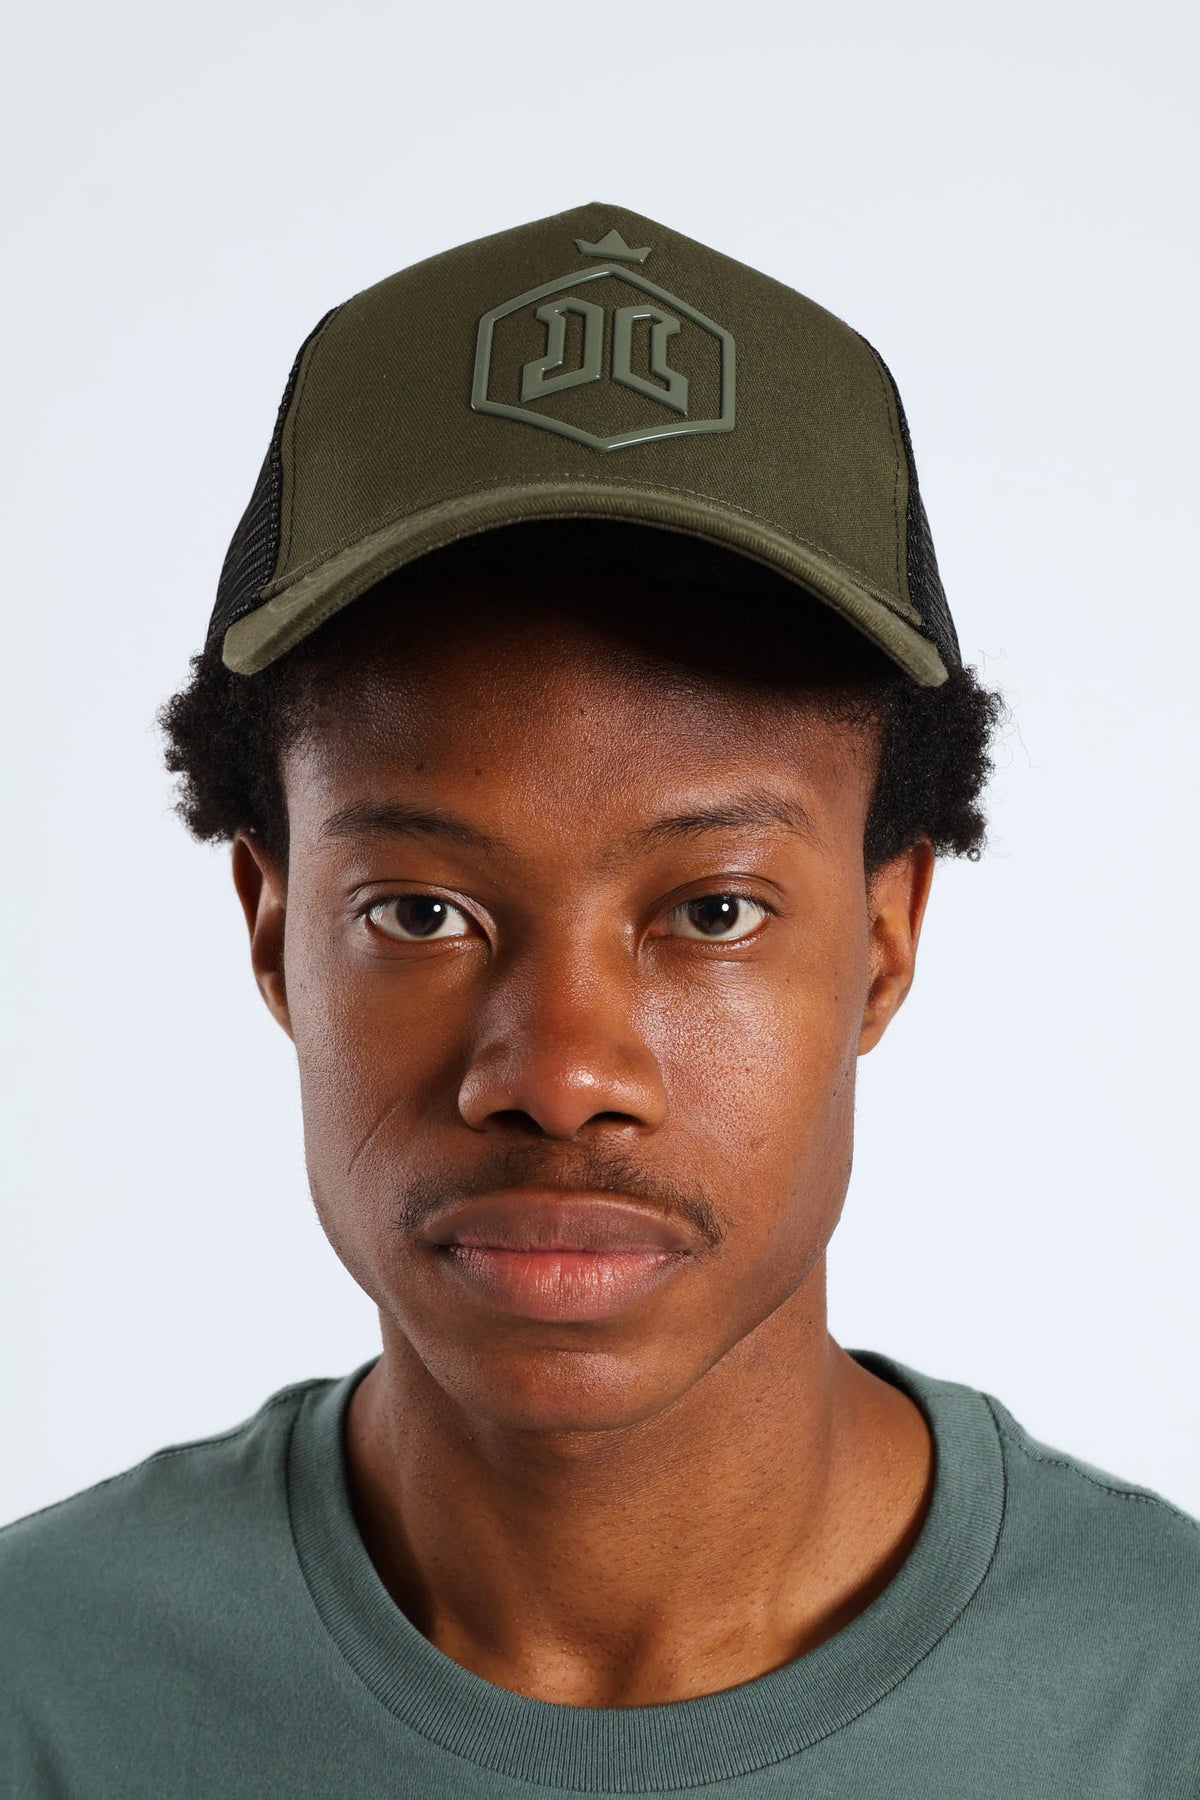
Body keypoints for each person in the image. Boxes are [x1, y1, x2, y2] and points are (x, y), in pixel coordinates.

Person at [2, 203, 1196, 1799]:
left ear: (884, 940)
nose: (561, 1075)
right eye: (421, 911)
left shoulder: (1161, 1704)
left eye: (711, 912)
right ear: (275, 933)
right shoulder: (40, 1692)